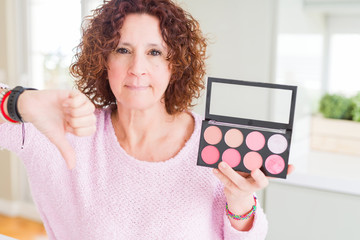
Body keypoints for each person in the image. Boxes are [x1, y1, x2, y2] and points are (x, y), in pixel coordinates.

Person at [0, 0, 293, 239]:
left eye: (154, 52)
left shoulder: (214, 141)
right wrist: (19, 102)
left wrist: (239, 201)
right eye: (123, 50)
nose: (137, 68)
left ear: (175, 65)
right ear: (104, 60)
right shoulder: (64, 128)